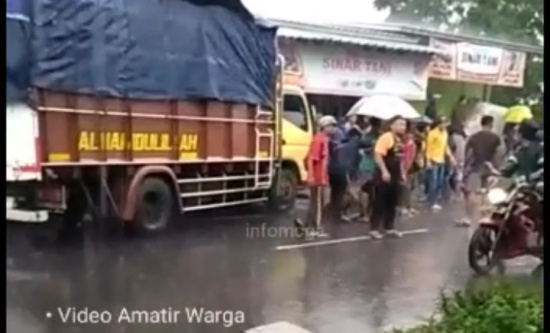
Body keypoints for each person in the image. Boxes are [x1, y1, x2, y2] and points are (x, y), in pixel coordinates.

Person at [294, 115, 336, 239]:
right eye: (331, 126)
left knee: (317, 203)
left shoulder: (324, 140)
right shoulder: (319, 140)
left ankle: (307, 226)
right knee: (317, 204)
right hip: (318, 178)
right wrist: (312, 176)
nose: (333, 129)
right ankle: (315, 228)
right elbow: (312, 159)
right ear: (324, 127)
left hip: (321, 177)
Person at [458, 115, 501, 226]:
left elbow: (468, 154)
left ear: (481, 124)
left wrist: (465, 171)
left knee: (470, 192)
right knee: (486, 192)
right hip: (489, 168)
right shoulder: (496, 138)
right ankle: (485, 216)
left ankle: (468, 218)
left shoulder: (473, 138)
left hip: (475, 167)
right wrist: (496, 168)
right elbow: (499, 154)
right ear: (491, 124)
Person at [369, 116, 407, 239]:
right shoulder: (386, 137)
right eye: (400, 124)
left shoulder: (399, 140)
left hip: (395, 173)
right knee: (380, 200)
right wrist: (384, 171)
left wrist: (402, 173)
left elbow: (399, 159)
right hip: (384, 173)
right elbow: (378, 155)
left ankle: (389, 227)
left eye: (404, 125)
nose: (403, 127)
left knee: (392, 201)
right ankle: (374, 228)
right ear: (392, 125)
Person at [425, 116, 455, 211]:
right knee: (433, 181)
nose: (445, 125)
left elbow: (445, 146)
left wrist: (451, 157)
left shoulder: (445, 133)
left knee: (440, 181)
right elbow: (428, 148)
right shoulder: (433, 133)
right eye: (443, 123)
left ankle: (435, 199)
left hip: (441, 159)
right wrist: (428, 160)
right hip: (433, 159)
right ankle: (432, 201)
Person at [398, 124, 418, 217]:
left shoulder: (411, 145)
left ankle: (406, 206)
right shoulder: (404, 144)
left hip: (407, 167)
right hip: (403, 166)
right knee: (404, 188)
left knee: (407, 188)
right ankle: (404, 207)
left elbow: (410, 158)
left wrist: (405, 170)